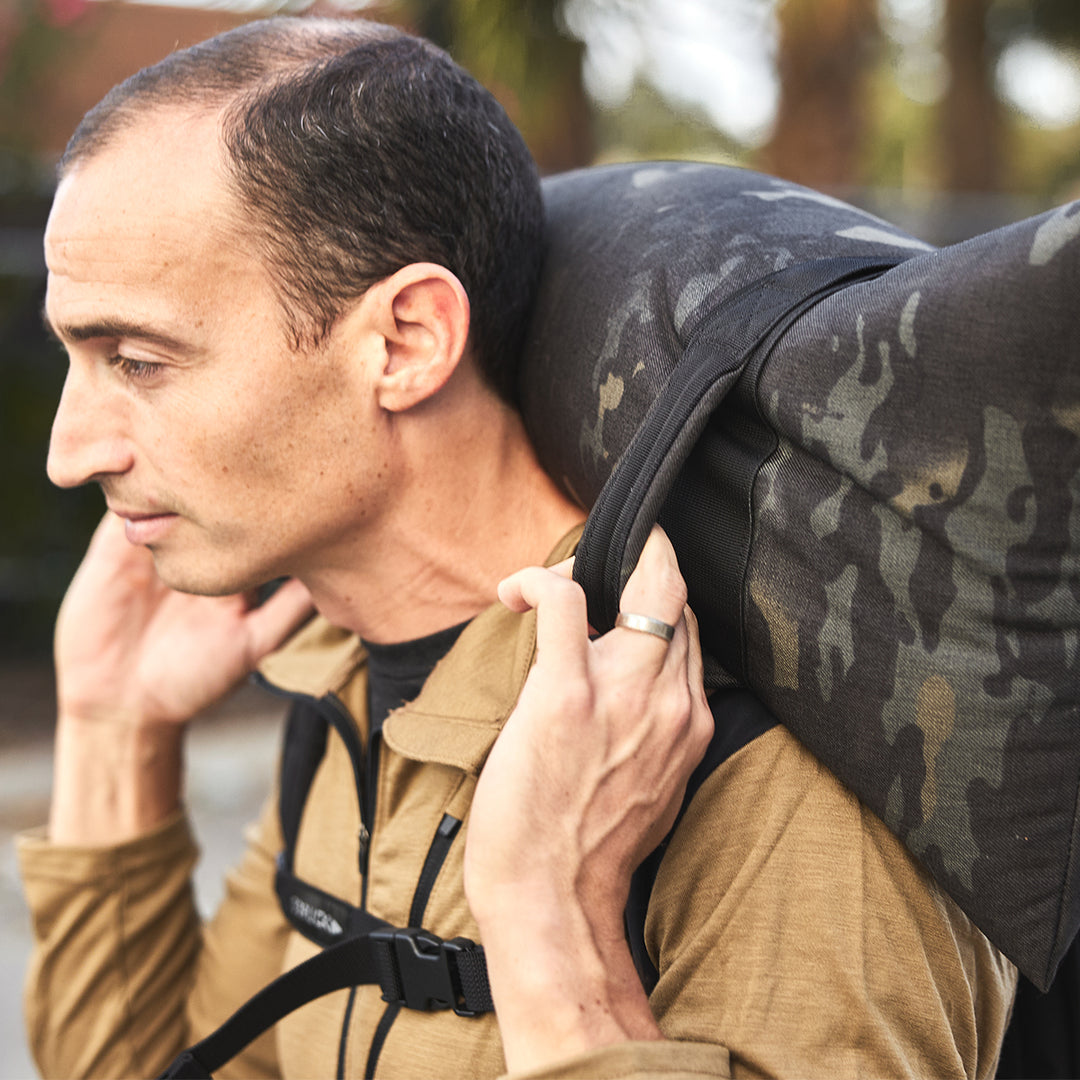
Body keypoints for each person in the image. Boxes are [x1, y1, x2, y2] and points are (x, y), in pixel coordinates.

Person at [18, 15, 1016, 1080]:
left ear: (406, 341)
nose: (66, 455)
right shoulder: (356, 679)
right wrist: (112, 734)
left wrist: (555, 924)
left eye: (135, 360)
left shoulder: (764, 761)